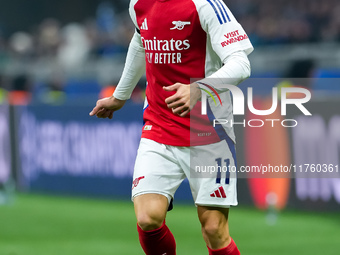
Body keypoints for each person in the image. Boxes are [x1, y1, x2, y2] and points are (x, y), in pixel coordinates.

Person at [90, 0, 253, 254]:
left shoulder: (206, 5)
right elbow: (140, 41)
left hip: (208, 131)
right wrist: (120, 96)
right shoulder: (139, 4)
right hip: (158, 125)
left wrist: (199, 88)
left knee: (213, 230)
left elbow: (241, 63)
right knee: (147, 218)